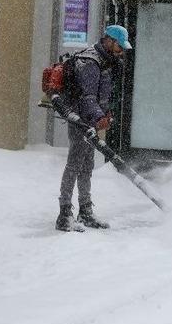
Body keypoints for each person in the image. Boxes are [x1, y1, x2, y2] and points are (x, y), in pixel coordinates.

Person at [56, 25, 131, 232]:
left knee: (87, 165)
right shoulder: (90, 62)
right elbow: (87, 97)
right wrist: (99, 116)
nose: (121, 51)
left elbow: (101, 95)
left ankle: (85, 211)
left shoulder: (105, 60)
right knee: (74, 164)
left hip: (90, 120)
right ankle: (64, 214)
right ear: (109, 41)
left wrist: (105, 113)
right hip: (80, 119)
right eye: (119, 46)